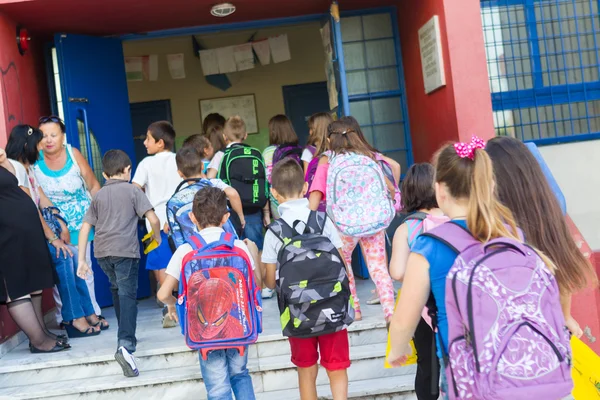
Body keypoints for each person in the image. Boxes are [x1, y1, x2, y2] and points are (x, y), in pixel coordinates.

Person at [386, 138, 568, 397]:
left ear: (440, 191)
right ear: (489, 185)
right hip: (523, 371)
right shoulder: (513, 234)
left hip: (468, 379)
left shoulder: (429, 247)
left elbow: (405, 318)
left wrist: (398, 349)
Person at [486, 136, 598, 337]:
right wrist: (566, 317)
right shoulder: (550, 210)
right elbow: (561, 273)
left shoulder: (496, 224)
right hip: (548, 334)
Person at [158, 186, 262, 400]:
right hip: (239, 327)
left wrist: (171, 304)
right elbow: (256, 284)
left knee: (217, 389)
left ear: (192, 217)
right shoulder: (238, 247)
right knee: (240, 375)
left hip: (204, 332)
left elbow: (162, 294)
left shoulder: (186, 250)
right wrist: (253, 252)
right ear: (226, 217)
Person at [262, 159, 350, 400]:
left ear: (274, 193)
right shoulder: (323, 221)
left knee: (306, 369)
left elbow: (270, 283)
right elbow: (342, 263)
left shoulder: (274, 232)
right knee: (337, 367)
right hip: (333, 307)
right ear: (305, 188)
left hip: (296, 313)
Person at [8, 124, 103, 338]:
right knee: (64, 258)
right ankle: (72, 318)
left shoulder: (27, 167)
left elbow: (41, 198)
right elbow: (30, 208)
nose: (41, 148)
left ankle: (86, 312)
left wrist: (60, 222)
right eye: (38, 145)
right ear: (27, 145)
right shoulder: (15, 168)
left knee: (71, 258)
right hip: (26, 233)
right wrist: (53, 239)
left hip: (40, 229)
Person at [77, 149, 162, 377]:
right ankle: (126, 344)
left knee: (116, 289)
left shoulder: (98, 196)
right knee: (127, 294)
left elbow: (85, 227)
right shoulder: (133, 191)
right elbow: (153, 219)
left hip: (102, 254)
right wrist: (157, 237)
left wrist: (82, 259)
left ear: (104, 174)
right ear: (127, 170)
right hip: (125, 252)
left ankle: (123, 334)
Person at [308, 119, 396, 322]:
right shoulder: (369, 156)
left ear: (330, 139)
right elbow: (390, 188)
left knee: (344, 264)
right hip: (374, 222)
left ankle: (355, 309)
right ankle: (390, 312)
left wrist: (309, 217)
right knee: (379, 267)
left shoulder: (327, 160)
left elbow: (316, 192)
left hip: (343, 225)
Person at [0, 147, 68, 353]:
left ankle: (41, 333)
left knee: (31, 282)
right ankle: (38, 341)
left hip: (21, 234)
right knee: (16, 287)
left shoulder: (5, 166)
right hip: (5, 235)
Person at [36, 116, 103, 324]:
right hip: (52, 224)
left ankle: (92, 312)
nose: (48, 140)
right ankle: (65, 317)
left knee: (83, 268)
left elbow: (93, 186)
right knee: (60, 273)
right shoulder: (34, 159)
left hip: (81, 222)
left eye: (53, 135)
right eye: (44, 135)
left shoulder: (73, 154)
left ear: (62, 136)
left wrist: (101, 216)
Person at [388, 163, 446, 400]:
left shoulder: (407, 228)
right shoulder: (455, 219)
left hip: (422, 308)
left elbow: (397, 272)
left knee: (428, 366)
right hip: (455, 301)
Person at [132, 120, 182, 328]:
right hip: (180, 219)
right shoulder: (180, 159)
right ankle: (183, 300)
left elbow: (134, 189)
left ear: (160, 143)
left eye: (148, 139)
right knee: (182, 259)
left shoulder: (146, 164)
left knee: (160, 263)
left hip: (156, 221)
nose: (144, 143)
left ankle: (168, 306)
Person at [207, 116, 270, 250]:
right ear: (245, 135)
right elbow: (263, 183)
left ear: (224, 136)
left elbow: (209, 179)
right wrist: (266, 214)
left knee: (236, 249)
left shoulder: (221, 155)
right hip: (254, 210)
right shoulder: (255, 153)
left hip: (231, 212)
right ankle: (259, 271)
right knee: (256, 248)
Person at [175, 146, 245, 227]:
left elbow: (169, 226)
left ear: (179, 173)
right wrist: (241, 218)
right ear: (202, 166)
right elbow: (232, 193)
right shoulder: (214, 183)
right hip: (222, 233)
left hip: (197, 237)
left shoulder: (181, 194)